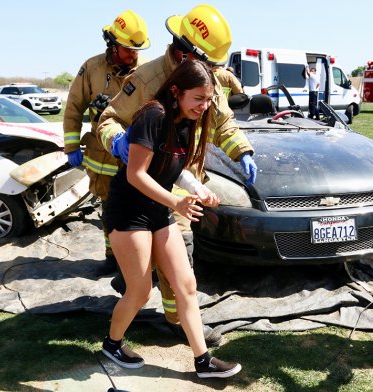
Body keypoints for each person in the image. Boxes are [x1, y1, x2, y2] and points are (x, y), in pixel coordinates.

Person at [97, 4, 257, 346]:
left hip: (180, 179)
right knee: (151, 274)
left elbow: (223, 123)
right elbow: (109, 118)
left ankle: (176, 321)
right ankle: (143, 320)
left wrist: (241, 151)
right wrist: (117, 141)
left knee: (181, 265)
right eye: (208, 62)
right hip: (143, 187)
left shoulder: (203, 80)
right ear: (186, 52)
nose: (212, 72)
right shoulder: (148, 80)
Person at [101, 59, 242, 379]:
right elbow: (136, 175)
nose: (205, 107)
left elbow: (174, 168)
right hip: (128, 212)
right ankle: (112, 343)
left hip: (157, 211)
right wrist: (176, 202)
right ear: (176, 91)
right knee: (138, 290)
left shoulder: (185, 121)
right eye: (198, 99)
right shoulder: (154, 115)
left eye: (208, 100)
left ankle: (203, 360)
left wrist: (196, 189)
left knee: (186, 285)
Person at [63, 10, 150, 274]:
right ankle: (112, 258)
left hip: (134, 155)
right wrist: (71, 146)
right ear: (111, 44)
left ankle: (138, 263)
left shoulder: (147, 70)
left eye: (136, 50)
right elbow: (74, 107)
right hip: (100, 156)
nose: (132, 55)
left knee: (136, 211)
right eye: (126, 50)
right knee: (108, 209)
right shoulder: (92, 68)